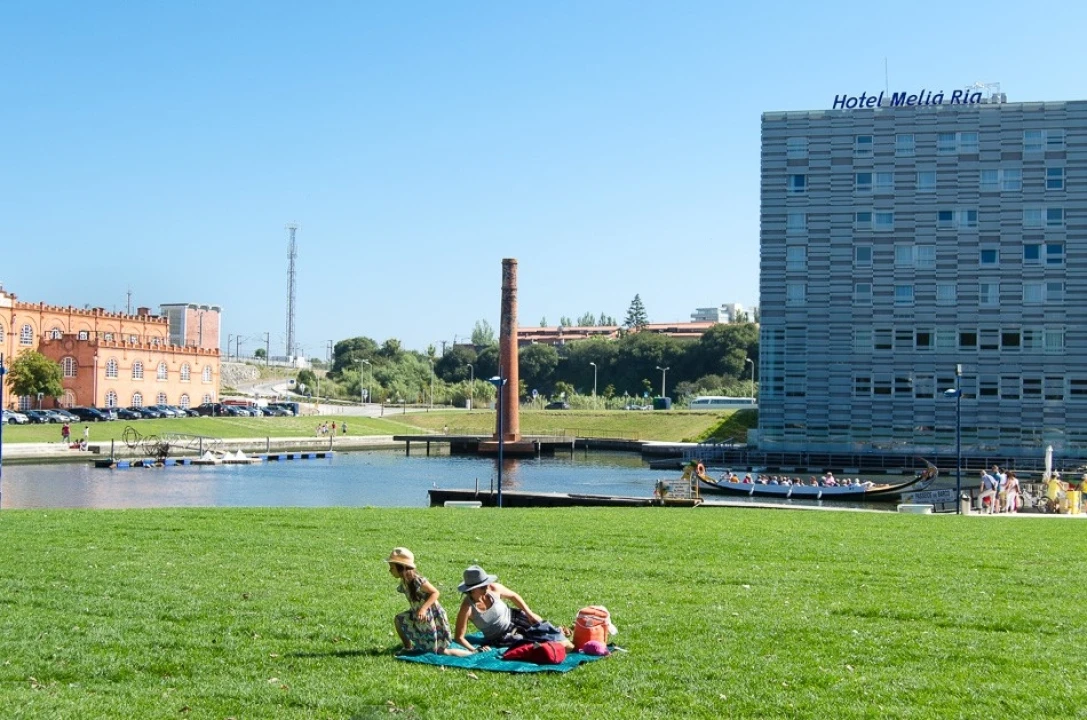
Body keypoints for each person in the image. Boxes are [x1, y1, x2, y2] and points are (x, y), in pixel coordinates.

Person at [453, 565, 573, 652]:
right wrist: (474, 649)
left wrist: (529, 613)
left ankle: (559, 633)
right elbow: (459, 637)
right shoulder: (467, 608)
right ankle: (555, 646)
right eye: (482, 586)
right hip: (500, 635)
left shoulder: (493, 589)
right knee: (526, 642)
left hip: (515, 617)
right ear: (472, 589)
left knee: (541, 626)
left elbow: (514, 596)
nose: (487, 587)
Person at [385, 547, 469, 657]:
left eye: (392, 567)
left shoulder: (417, 580)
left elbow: (435, 593)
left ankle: (473, 653)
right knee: (399, 620)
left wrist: (423, 609)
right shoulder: (405, 581)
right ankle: (408, 647)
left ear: (402, 568)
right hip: (419, 615)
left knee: (440, 652)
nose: (390, 570)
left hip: (431, 616)